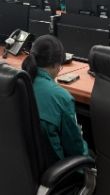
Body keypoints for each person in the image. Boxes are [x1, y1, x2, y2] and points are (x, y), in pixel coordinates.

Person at [22, 35, 88, 163]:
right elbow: (76, 151)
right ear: (57, 65)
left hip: (23, 163)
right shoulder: (62, 97)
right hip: (54, 168)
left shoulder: (17, 83)